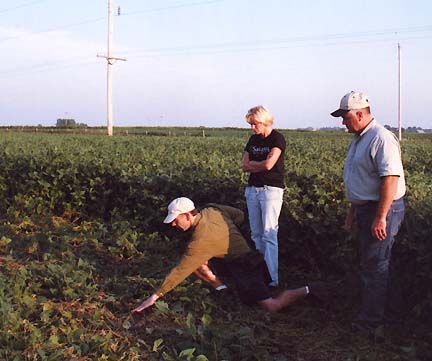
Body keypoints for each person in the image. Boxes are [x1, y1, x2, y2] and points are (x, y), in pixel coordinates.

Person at [131, 197, 324, 314]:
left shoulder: (200, 241)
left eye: (175, 220)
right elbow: (239, 215)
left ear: (188, 215)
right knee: (199, 262)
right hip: (243, 259)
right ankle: (224, 290)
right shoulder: (212, 208)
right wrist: (229, 235)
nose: (173, 224)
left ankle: (309, 290)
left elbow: (179, 271)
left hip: (247, 266)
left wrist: (154, 297)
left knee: (271, 306)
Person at [331, 91, 406, 334]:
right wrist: (352, 212)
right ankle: (379, 315)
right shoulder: (360, 138)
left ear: (360, 114)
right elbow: (362, 181)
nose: (342, 122)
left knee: (376, 266)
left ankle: (370, 324)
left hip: (382, 210)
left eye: (345, 117)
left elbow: (390, 179)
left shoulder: (381, 138)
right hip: (367, 209)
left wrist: (381, 216)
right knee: (370, 264)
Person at [241, 106, 286, 287]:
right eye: (251, 124)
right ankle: (261, 275)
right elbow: (244, 165)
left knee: (269, 234)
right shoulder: (253, 139)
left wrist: (255, 164)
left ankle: (272, 279)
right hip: (253, 189)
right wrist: (257, 164)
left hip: (271, 190)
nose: (252, 128)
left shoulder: (277, 138)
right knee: (256, 234)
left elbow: (269, 165)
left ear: (264, 121)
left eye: (254, 124)